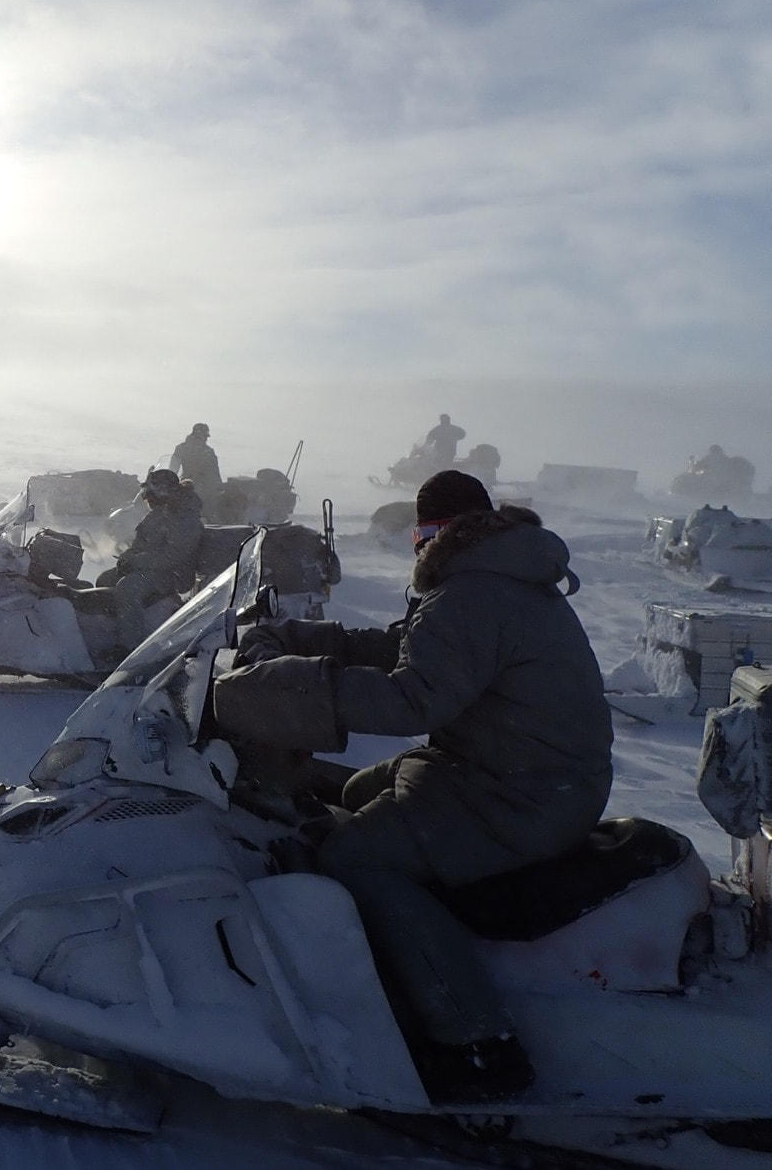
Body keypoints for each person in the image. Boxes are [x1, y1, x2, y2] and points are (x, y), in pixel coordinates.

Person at [212, 470, 611, 1103]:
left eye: (426, 533)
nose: (419, 546)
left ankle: (478, 1044)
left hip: (519, 794)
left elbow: (413, 698)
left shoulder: (476, 592)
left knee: (354, 857)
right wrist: (295, 638)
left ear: (450, 532)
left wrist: (290, 688)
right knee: (344, 796)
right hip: (508, 772)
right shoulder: (492, 579)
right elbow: (408, 648)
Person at [108, 468, 204, 650]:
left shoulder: (185, 518)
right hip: (152, 569)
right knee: (105, 579)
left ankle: (132, 647)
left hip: (174, 574)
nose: (147, 500)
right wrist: (127, 558)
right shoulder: (157, 514)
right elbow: (139, 545)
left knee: (128, 589)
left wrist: (137, 562)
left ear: (165, 493)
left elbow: (174, 556)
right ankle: (108, 635)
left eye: (151, 494)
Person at [172, 424, 223, 511]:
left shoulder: (182, 448)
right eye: (205, 436)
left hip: (195, 484)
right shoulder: (207, 451)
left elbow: (215, 471)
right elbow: (173, 468)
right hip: (193, 485)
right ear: (200, 436)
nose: (206, 439)